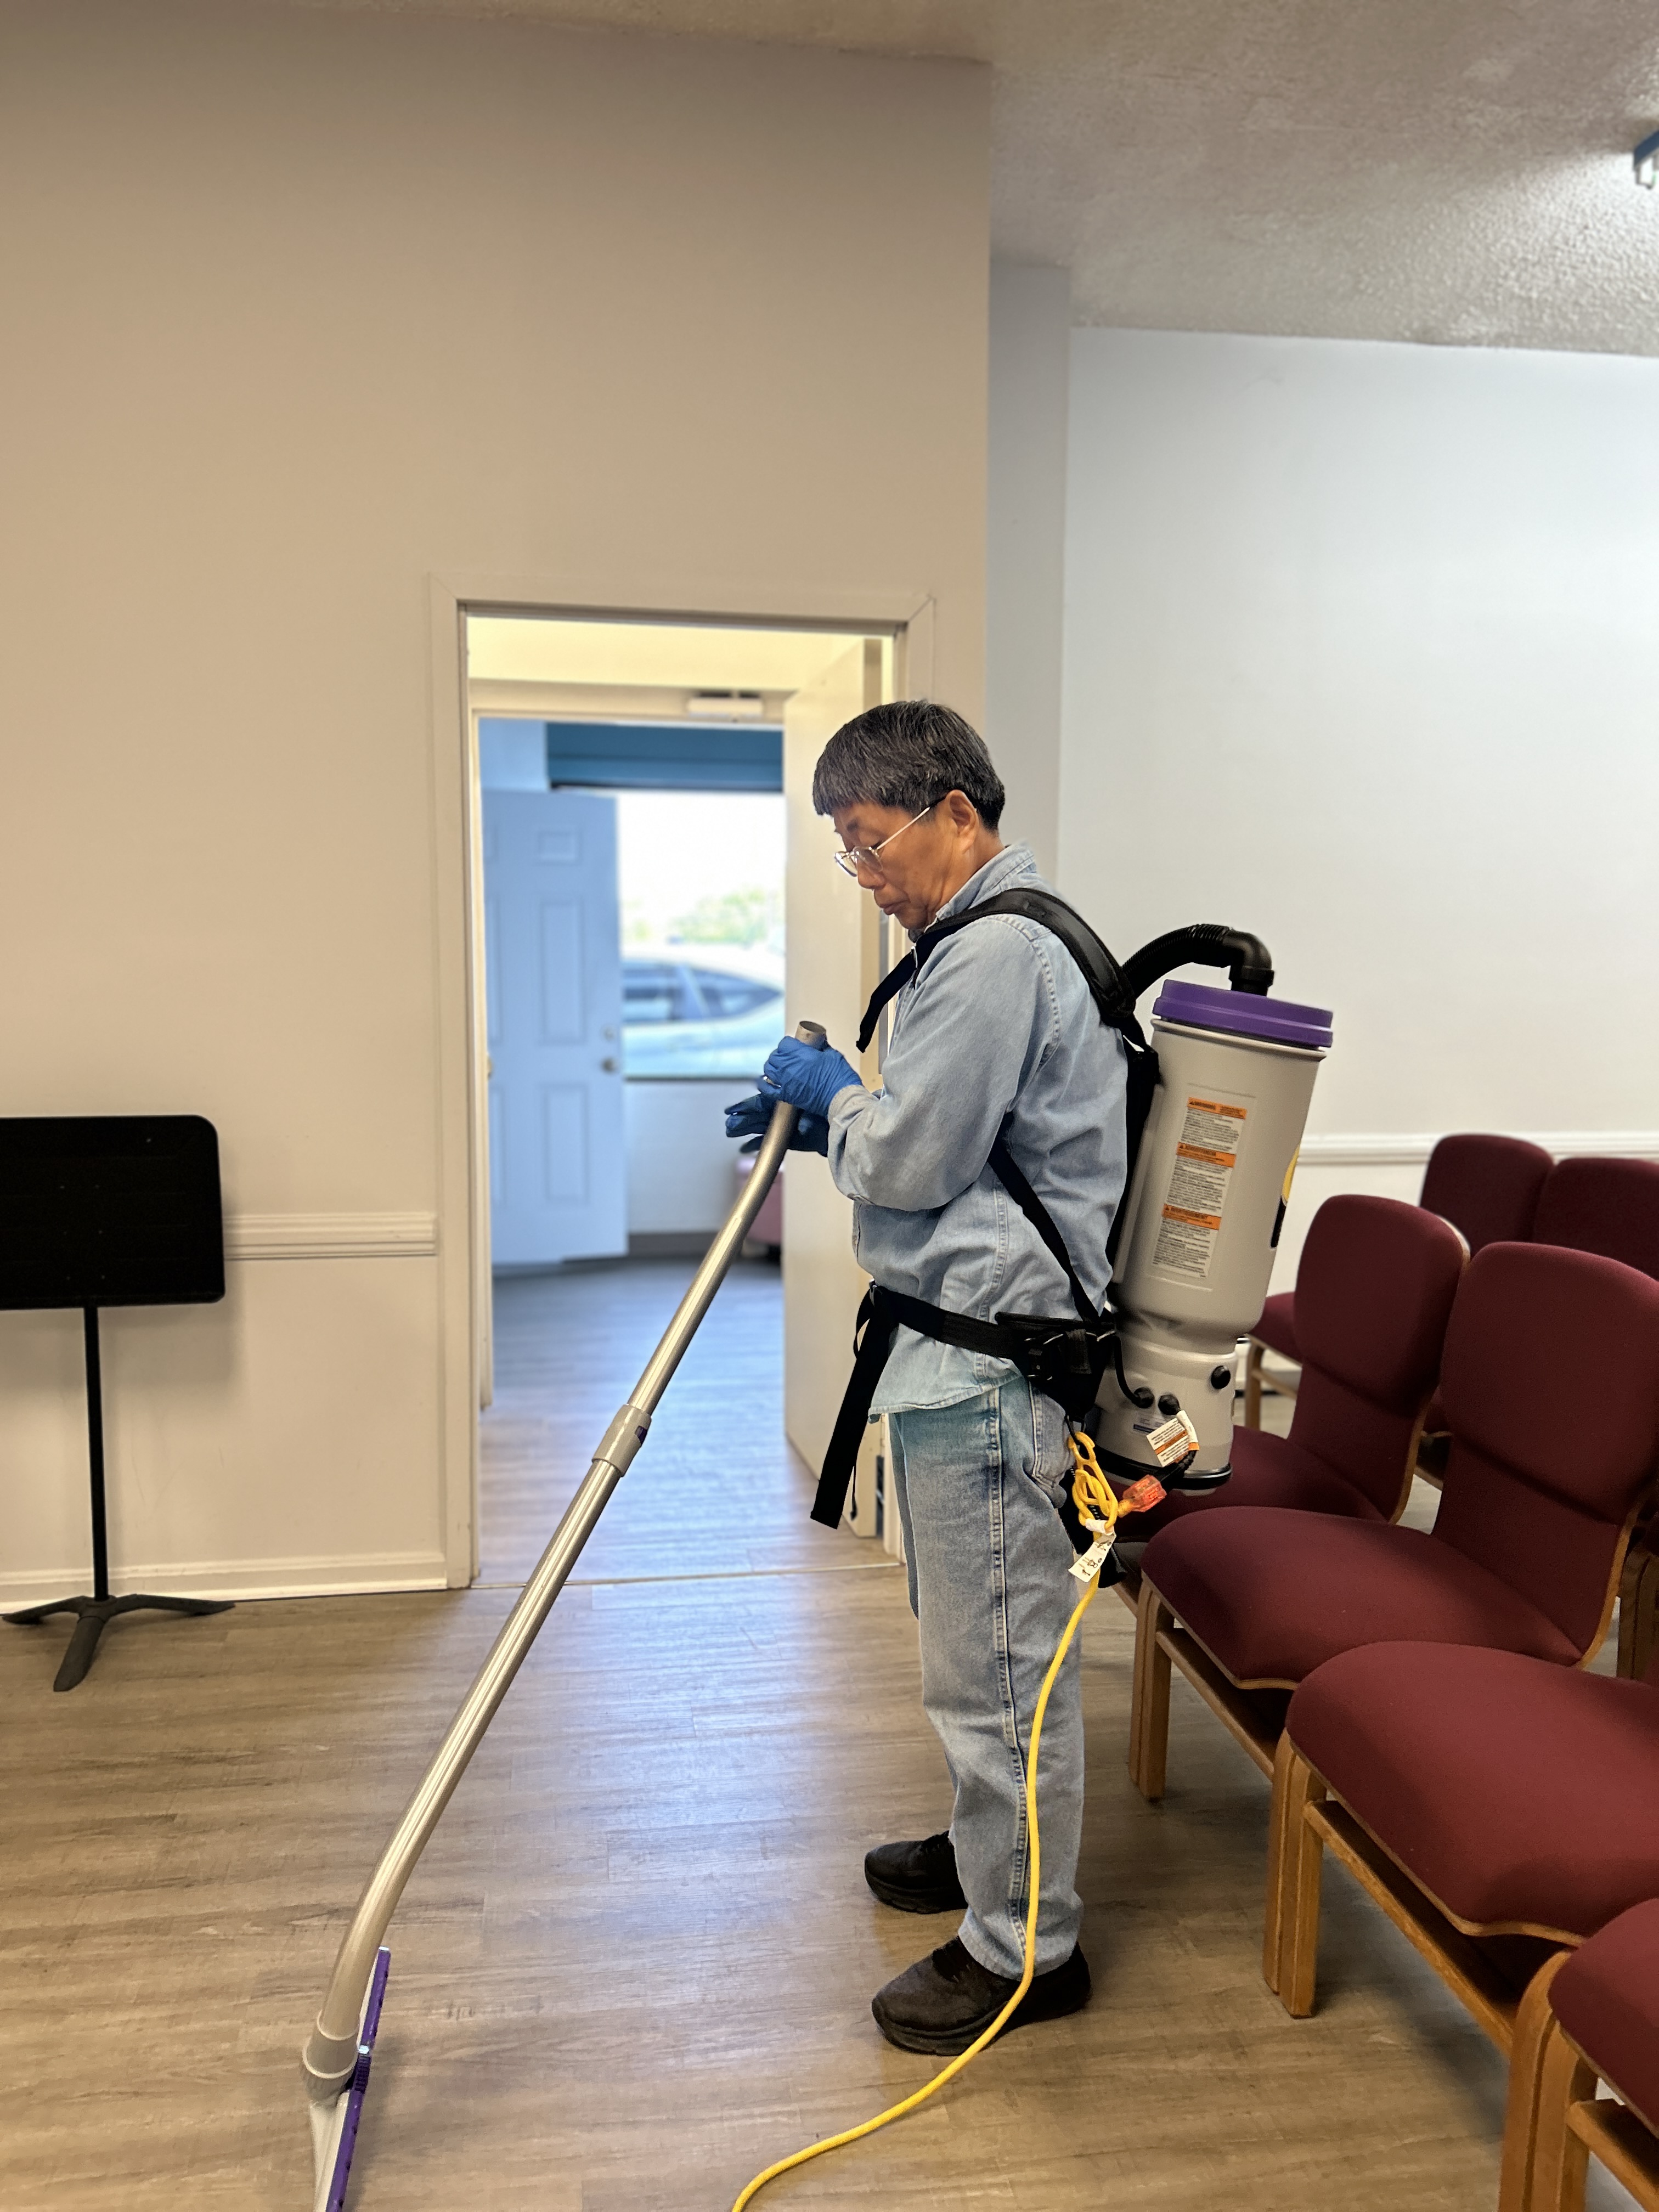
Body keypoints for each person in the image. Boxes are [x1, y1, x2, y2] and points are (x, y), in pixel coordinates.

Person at [725, 699, 1128, 2055]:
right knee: (976, 1657)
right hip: (955, 1355)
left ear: (957, 812)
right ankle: (982, 1856)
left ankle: (1025, 1951)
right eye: (847, 849)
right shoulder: (977, 945)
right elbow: (929, 1141)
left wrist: (834, 1098)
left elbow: (907, 1161)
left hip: (991, 1369)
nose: (865, 873)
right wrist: (836, 1115)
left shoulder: (999, 949)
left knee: (998, 1673)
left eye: (870, 840)